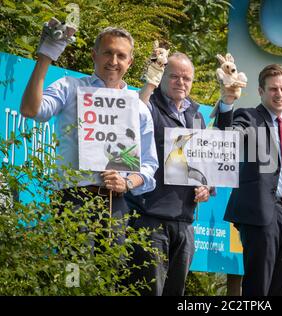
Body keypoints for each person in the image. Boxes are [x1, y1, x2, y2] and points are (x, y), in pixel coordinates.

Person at [20, 25, 158, 223]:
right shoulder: (69, 87)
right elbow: (30, 110)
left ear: (130, 62)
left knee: (116, 256)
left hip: (115, 204)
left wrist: (126, 182)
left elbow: (149, 164)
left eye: (121, 55)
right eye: (107, 53)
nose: (113, 61)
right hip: (72, 199)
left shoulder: (138, 106)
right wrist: (45, 57)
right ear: (94, 55)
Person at [213, 63, 282, 296]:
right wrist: (227, 103)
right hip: (261, 213)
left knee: (278, 288)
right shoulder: (249, 116)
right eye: (273, 89)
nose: (279, 94)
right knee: (258, 288)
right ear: (261, 92)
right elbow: (226, 139)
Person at [125, 51, 212, 296]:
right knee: (147, 290)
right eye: (174, 77)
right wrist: (148, 84)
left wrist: (207, 187)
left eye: (187, 79)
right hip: (149, 217)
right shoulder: (148, 105)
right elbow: (130, 127)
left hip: (184, 221)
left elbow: (204, 163)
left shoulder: (196, 115)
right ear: (162, 77)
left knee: (176, 291)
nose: (181, 83)